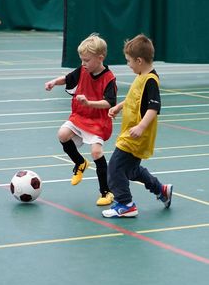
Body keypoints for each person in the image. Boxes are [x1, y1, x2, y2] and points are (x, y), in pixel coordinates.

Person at [102, 34, 173, 218]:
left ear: (139, 60)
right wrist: (119, 106)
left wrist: (141, 127)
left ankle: (126, 204)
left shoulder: (150, 80)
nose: (129, 65)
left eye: (129, 61)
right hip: (131, 132)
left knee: (115, 168)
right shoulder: (141, 75)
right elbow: (134, 97)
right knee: (131, 170)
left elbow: (154, 106)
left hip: (136, 136)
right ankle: (161, 189)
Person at [45, 34, 117, 205]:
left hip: (98, 121)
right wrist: (55, 81)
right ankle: (80, 163)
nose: (83, 63)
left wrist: (89, 102)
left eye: (86, 60)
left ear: (100, 58)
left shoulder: (109, 78)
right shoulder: (83, 69)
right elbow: (68, 78)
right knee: (62, 134)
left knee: (96, 153)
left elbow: (109, 103)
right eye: (82, 60)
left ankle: (106, 192)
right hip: (80, 116)